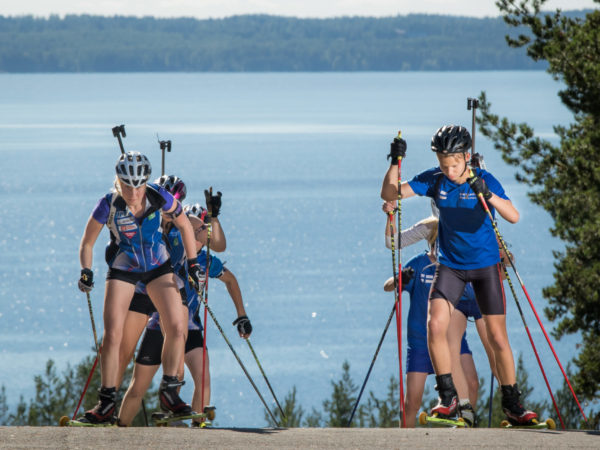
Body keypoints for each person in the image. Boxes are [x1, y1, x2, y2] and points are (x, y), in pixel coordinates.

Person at [380, 125, 537, 425]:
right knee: (435, 325)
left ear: (467, 156)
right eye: (443, 163)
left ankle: (513, 403)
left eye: (454, 163)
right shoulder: (435, 180)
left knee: (497, 338)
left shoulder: (483, 179)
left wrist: (488, 195)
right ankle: (448, 397)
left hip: (485, 268)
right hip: (451, 267)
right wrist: (394, 163)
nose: (449, 170)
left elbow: (513, 216)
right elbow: (390, 193)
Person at [78, 152, 205, 424]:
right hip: (124, 269)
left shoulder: (159, 196)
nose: (133, 192)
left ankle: (170, 392)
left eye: (138, 185)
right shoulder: (108, 203)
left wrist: (193, 264)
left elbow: (184, 224)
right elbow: (87, 242)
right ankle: (107, 402)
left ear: (145, 182)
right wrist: (86, 271)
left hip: (158, 268)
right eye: (126, 185)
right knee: (112, 335)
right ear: (118, 181)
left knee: (177, 326)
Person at [117, 199, 252, 427]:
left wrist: (242, 315)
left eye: (204, 228)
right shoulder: (169, 248)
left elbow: (230, 279)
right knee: (138, 388)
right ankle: (118, 430)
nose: (203, 232)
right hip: (160, 325)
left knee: (203, 379)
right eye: (199, 227)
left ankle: (195, 432)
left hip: (191, 326)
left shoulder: (205, 260)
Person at [382, 210, 497, 427]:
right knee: (412, 403)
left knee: (472, 383)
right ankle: (405, 439)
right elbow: (388, 286)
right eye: (436, 241)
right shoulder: (419, 263)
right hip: (419, 343)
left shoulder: (458, 267)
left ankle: (464, 427)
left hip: (453, 339)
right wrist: (400, 279)